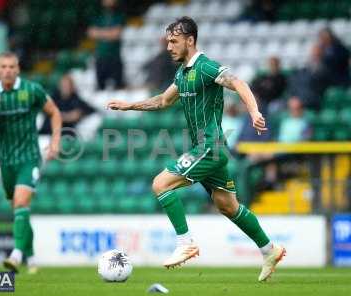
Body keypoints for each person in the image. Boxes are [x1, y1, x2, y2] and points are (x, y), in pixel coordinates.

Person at [107, 16, 285, 282]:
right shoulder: (183, 73)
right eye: (168, 41)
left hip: (209, 146)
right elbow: (163, 101)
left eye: (174, 41)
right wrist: (129, 105)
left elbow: (239, 83)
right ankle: (270, 250)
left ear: (190, 40)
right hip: (206, 148)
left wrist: (254, 111)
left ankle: (185, 242)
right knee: (227, 206)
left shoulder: (205, 67)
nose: (168, 47)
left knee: (160, 184)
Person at [0, 52, 62, 274]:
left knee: (21, 203)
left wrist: (54, 142)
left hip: (30, 158)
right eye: (3, 66)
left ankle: (15, 255)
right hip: (6, 161)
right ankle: (31, 257)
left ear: (18, 69)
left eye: (11, 66)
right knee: (19, 210)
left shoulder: (31, 90)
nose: (7, 70)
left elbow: (54, 112)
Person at [88, 0, 125, 90]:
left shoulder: (119, 15)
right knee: (100, 89)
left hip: (114, 57)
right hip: (100, 58)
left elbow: (116, 34)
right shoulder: (98, 16)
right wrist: (109, 33)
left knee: (118, 88)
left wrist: (99, 33)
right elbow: (91, 33)